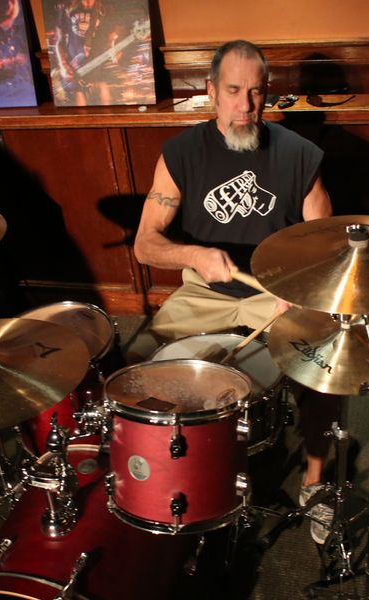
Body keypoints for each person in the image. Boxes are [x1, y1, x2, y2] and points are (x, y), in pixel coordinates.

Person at [133, 40, 340, 544]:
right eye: (232, 91)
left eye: (256, 92)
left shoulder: (298, 155)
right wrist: (192, 255)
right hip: (204, 291)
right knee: (142, 369)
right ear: (210, 91)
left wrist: (302, 287)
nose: (245, 105)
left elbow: (325, 243)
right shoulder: (181, 154)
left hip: (275, 290)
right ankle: (175, 473)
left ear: (267, 93)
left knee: (324, 362)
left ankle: (315, 478)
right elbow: (144, 244)